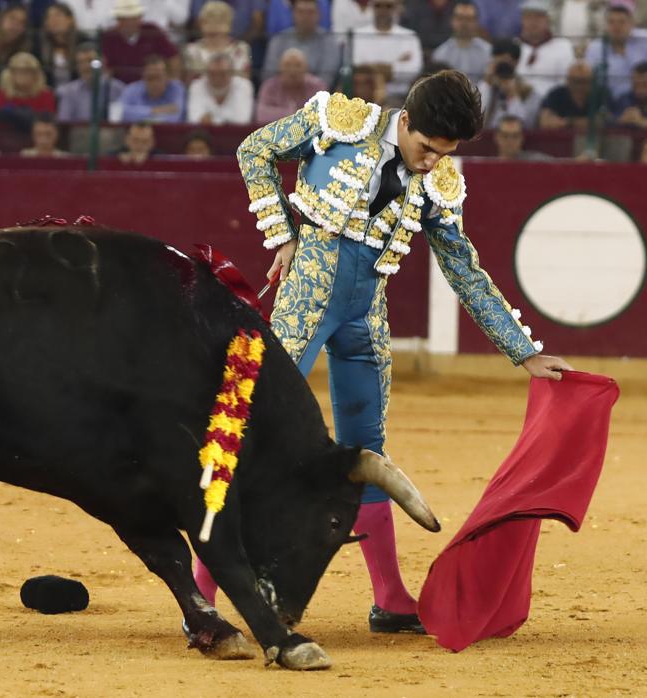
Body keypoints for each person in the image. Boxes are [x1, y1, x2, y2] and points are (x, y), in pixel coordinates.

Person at [229, 70, 571, 635]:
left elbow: (465, 270)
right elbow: (254, 152)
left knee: (369, 451)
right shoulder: (337, 123)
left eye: (445, 153)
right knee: (253, 429)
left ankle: (389, 597)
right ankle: (212, 591)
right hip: (307, 299)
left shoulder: (439, 183)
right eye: (426, 147)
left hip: (366, 320)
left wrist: (523, 352)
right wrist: (282, 232)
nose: (431, 161)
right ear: (405, 121)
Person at [352, 0, 425, 101]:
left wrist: (373, 69)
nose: (383, 10)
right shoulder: (357, 35)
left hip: (401, 97)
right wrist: (396, 64)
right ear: (371, 7)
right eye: (378, 6)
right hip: (364, 97)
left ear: (397, 8)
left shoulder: (409, 36)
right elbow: (357, 67)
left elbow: (414, 69)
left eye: (388, 6)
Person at [262, 0, 341, 85]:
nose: (305, 17)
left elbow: (326, 78)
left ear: (319, 15)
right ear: (293, 14)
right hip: (281, 94)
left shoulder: (329, 41)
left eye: (310, 12)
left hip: (316, 95)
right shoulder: (278, 40)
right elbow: (269, 76)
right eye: (301, 12)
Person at [102, 0, 181, 84]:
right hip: (119, 87)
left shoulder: (152, 31)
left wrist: (172, 80)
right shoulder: (109, 37)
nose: (129, 22)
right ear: (118, 20)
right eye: (125, 19)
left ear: (140, 18)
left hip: (151, 85)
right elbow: (106, 67)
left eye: (133, 18)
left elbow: (173, 58)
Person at [516, 0, 575, 98]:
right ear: (522, 20)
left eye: (539, 16)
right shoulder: (514, 46)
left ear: (548, 19)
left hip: (551, 105)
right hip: (518, 104)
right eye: (528, 17)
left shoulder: (563, 46)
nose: (533, 22)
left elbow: (566, 86)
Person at [56, 43, 127, 122]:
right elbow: (64, 122)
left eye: (90, 61)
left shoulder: (117, 88)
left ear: (102, 61)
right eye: (80, 62)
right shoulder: (69, 92)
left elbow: (123, 119)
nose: (86, 66)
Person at [183, 0, 252, 81]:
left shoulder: (241, 48)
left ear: (229, 24)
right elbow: (190, 84)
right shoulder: (191, 50)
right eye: (209, 21)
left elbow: (245, 82)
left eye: (220, 21)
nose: (214, 25)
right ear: (201, 23)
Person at [0, 52, 58, 130]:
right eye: (18, 72)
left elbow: (49, 121)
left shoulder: (46, 94)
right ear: (11, 74)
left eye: (27, 72)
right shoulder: (4, 93)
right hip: (7, 135)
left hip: (37, 136)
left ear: (36, 74)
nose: (22, 76)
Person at [255, 49, 327, 122]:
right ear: (280, 68)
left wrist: (286, 114)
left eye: (298, 65)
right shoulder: (269, 86)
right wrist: (294, 113)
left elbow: (324, 113)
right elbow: (261, 115)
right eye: (287, 65)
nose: (292, 71)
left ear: (306, 68)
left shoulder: (317, 86)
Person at [433, 1, 494, 81]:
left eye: (469, 19)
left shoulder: (488, 52)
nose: (464, 23)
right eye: (460, 18)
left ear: (477, 22)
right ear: (452, 21)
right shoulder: (440, 54)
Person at [185, 52, 254, 124]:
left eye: (222, 74)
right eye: (212, 73)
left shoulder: (244, 85)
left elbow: (242, 120)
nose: (217, 78)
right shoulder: (196, 86)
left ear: (231, 73)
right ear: (206, 72)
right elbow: (194, 120)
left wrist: (210, 120)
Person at [116, 54, 187, 122]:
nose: (154, 83)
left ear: (167, 77)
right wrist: (154, 110)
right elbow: (121, 113)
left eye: (158, 78)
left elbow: (176, 118)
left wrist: (140, 116)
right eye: (150, 78)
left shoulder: (177, 88)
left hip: (171, 133)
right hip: (137, 133)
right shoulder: (132, 89)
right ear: (143, 77)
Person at [33, 2, 89, 89]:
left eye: (57, 15)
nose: (53, 20)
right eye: (49, 17)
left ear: (70, 19)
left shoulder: (83, 41)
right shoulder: (38, 44)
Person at [481, 60, 544, 128]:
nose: (504, 84)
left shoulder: (529, 93)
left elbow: (528, 122)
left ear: (514, 77)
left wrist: (515, 96)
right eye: (501, 80)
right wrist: (487, 80)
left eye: (508, 79)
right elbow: (490, 123)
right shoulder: (493, 93)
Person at [538, 62, 596, 129]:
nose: (580, 87)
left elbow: (606, 121)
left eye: (584, 82)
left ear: (592, 82)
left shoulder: (600, 94)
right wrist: (574, 123)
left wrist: (564, 122)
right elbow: (545, 122)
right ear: (567, 81)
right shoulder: (556, 94)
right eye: (576, 81)